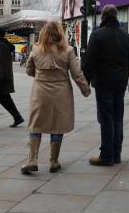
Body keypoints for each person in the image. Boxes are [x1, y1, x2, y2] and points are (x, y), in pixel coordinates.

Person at [21, 21, 90, 174]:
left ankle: (32, 159)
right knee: (58, 125)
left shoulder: (36, 49)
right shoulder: (68, 50)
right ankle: (54, 161)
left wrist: (40, 76)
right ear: (60, 33)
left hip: (40, 91)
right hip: (61, 91)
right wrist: (85, 89)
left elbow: (28, 70)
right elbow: (76, 73)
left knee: (36, 124)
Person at [82, 5, 129, 166]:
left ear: (103, 17)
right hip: (120, 83)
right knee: (117, 118)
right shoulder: (126, 35)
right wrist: (124, 77)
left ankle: (106, 155)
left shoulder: (97, 35)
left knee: (106, 119)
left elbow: (89, 61)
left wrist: (86, 82)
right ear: (116, 16)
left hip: (104, 82)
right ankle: (116, 154)